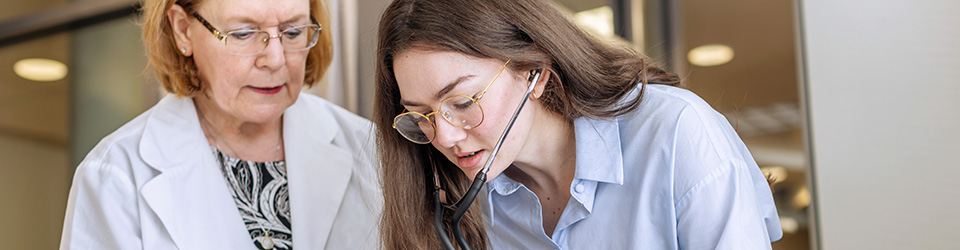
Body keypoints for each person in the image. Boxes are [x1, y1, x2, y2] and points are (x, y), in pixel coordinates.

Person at [373, 0, 782, 249]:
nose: (443, 136)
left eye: (462, 102)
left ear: (534, 71)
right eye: (421, 115)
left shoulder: (677, 133)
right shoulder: (460, 201)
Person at [59, 0, 382, 249]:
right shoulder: (115, 175)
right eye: (243, 34)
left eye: (293, 32)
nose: (276, 59)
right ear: (183, 30)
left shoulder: (369, 150)